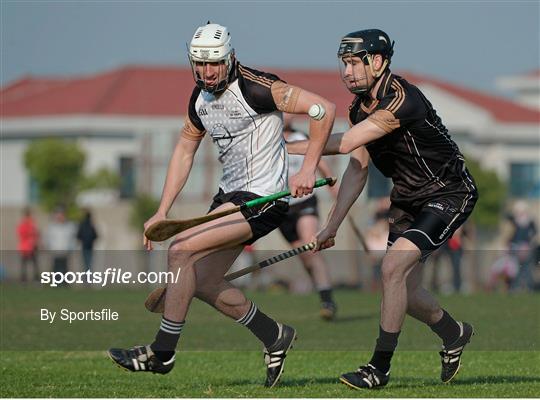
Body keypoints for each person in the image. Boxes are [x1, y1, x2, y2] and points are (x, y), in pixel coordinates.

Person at [108, 22, 335, 388]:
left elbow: (323, 109)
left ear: (230, 57)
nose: (207, 71)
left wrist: (307, 168)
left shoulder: (258, 88)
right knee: (202, 281)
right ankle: (274, 335)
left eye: (214, 63)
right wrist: (163, 210)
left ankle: (162, 352)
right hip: (228, 196)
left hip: (263, 199)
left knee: (181, 250)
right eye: (199, 64)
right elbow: (185, 149)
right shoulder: (199, 101)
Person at [287, 29, 478, 389]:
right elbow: (357, 167)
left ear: (377, 62)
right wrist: (331, 226)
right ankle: (455, 333)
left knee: (392, 269)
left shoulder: (403, 100)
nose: (346, 72)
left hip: (449, 192)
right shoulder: (359, 108)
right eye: (343, 64)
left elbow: (346, 144)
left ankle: (379, 368)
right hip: (407, 198)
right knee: (405, 292)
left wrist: (289, 148)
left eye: (354, 64)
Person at [279, 114, 339, 320]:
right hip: (281, 207)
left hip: (304, 201)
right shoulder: (268, 138)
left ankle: (327, 301)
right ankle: (321, 290)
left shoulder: (300, 136)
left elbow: (318, 160)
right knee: (304, 256)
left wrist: (333, 186)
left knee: (310, 246)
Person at [507, 201, 537, 291]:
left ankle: (529, 288)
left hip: (526, 248)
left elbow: (533, 233)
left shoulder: (530, 221)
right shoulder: (514, 221)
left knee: (526, 269)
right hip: (515, 247)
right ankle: (515, 287)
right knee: (514, 269)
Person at [45, 207, 76, 278]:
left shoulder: (69, 226)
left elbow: (72, 239)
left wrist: (71, 248)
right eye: (58, 214)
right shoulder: (52, 227)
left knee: (65, 269)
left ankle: (65, 283)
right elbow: (48, 239)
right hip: (55, 252)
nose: (60, 216)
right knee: (56, 269)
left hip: (65, 252)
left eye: (62, 214)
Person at [16, 207, 40, 282]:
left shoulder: (32, 224)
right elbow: (21, 234)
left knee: (34, 264)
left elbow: (36, 234)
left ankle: (36, 280)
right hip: (25, 248)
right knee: (24, 265)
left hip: (32, 247)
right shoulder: (23, 225)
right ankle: (24, 280)